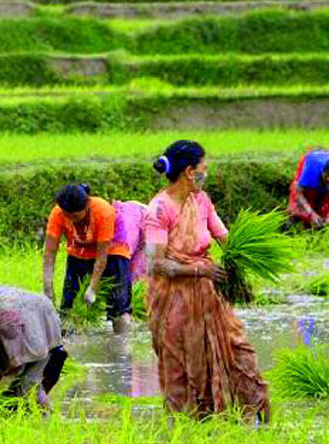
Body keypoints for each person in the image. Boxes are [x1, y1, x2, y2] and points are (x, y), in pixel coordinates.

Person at [145, 139, 270, 423]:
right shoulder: (159, 210)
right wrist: (200, 271)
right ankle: (187, 429)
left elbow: (226, 239)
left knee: (241, 353)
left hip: (209, 298)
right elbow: (155, 263)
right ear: (190, 171)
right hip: (173, 302)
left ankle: (253, 415)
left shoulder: (201, 200)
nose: (207, 173)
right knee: (182, 367)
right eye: (204, 168)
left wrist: (244, 265)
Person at [42, 184, 136, 333]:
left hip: (113, 250)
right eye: (68, 216)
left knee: (119, 306)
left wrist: (92, 288)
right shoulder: (58, 213)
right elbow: (49, 254)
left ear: (87, 205)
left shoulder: (103, 211)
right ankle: (67, 342)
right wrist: (48, 289)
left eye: (76, 216)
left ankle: (122, 347)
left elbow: (101, 256)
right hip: (79, 251)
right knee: (68, 307)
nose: (72, 220)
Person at [288, 150, 329, 229]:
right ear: (323, 171)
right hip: (312, 161)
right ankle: (292, 222)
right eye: (327, 176)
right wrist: (311, 213)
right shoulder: (311, 170)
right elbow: (299, 192)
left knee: (324, 210)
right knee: (300, 206)